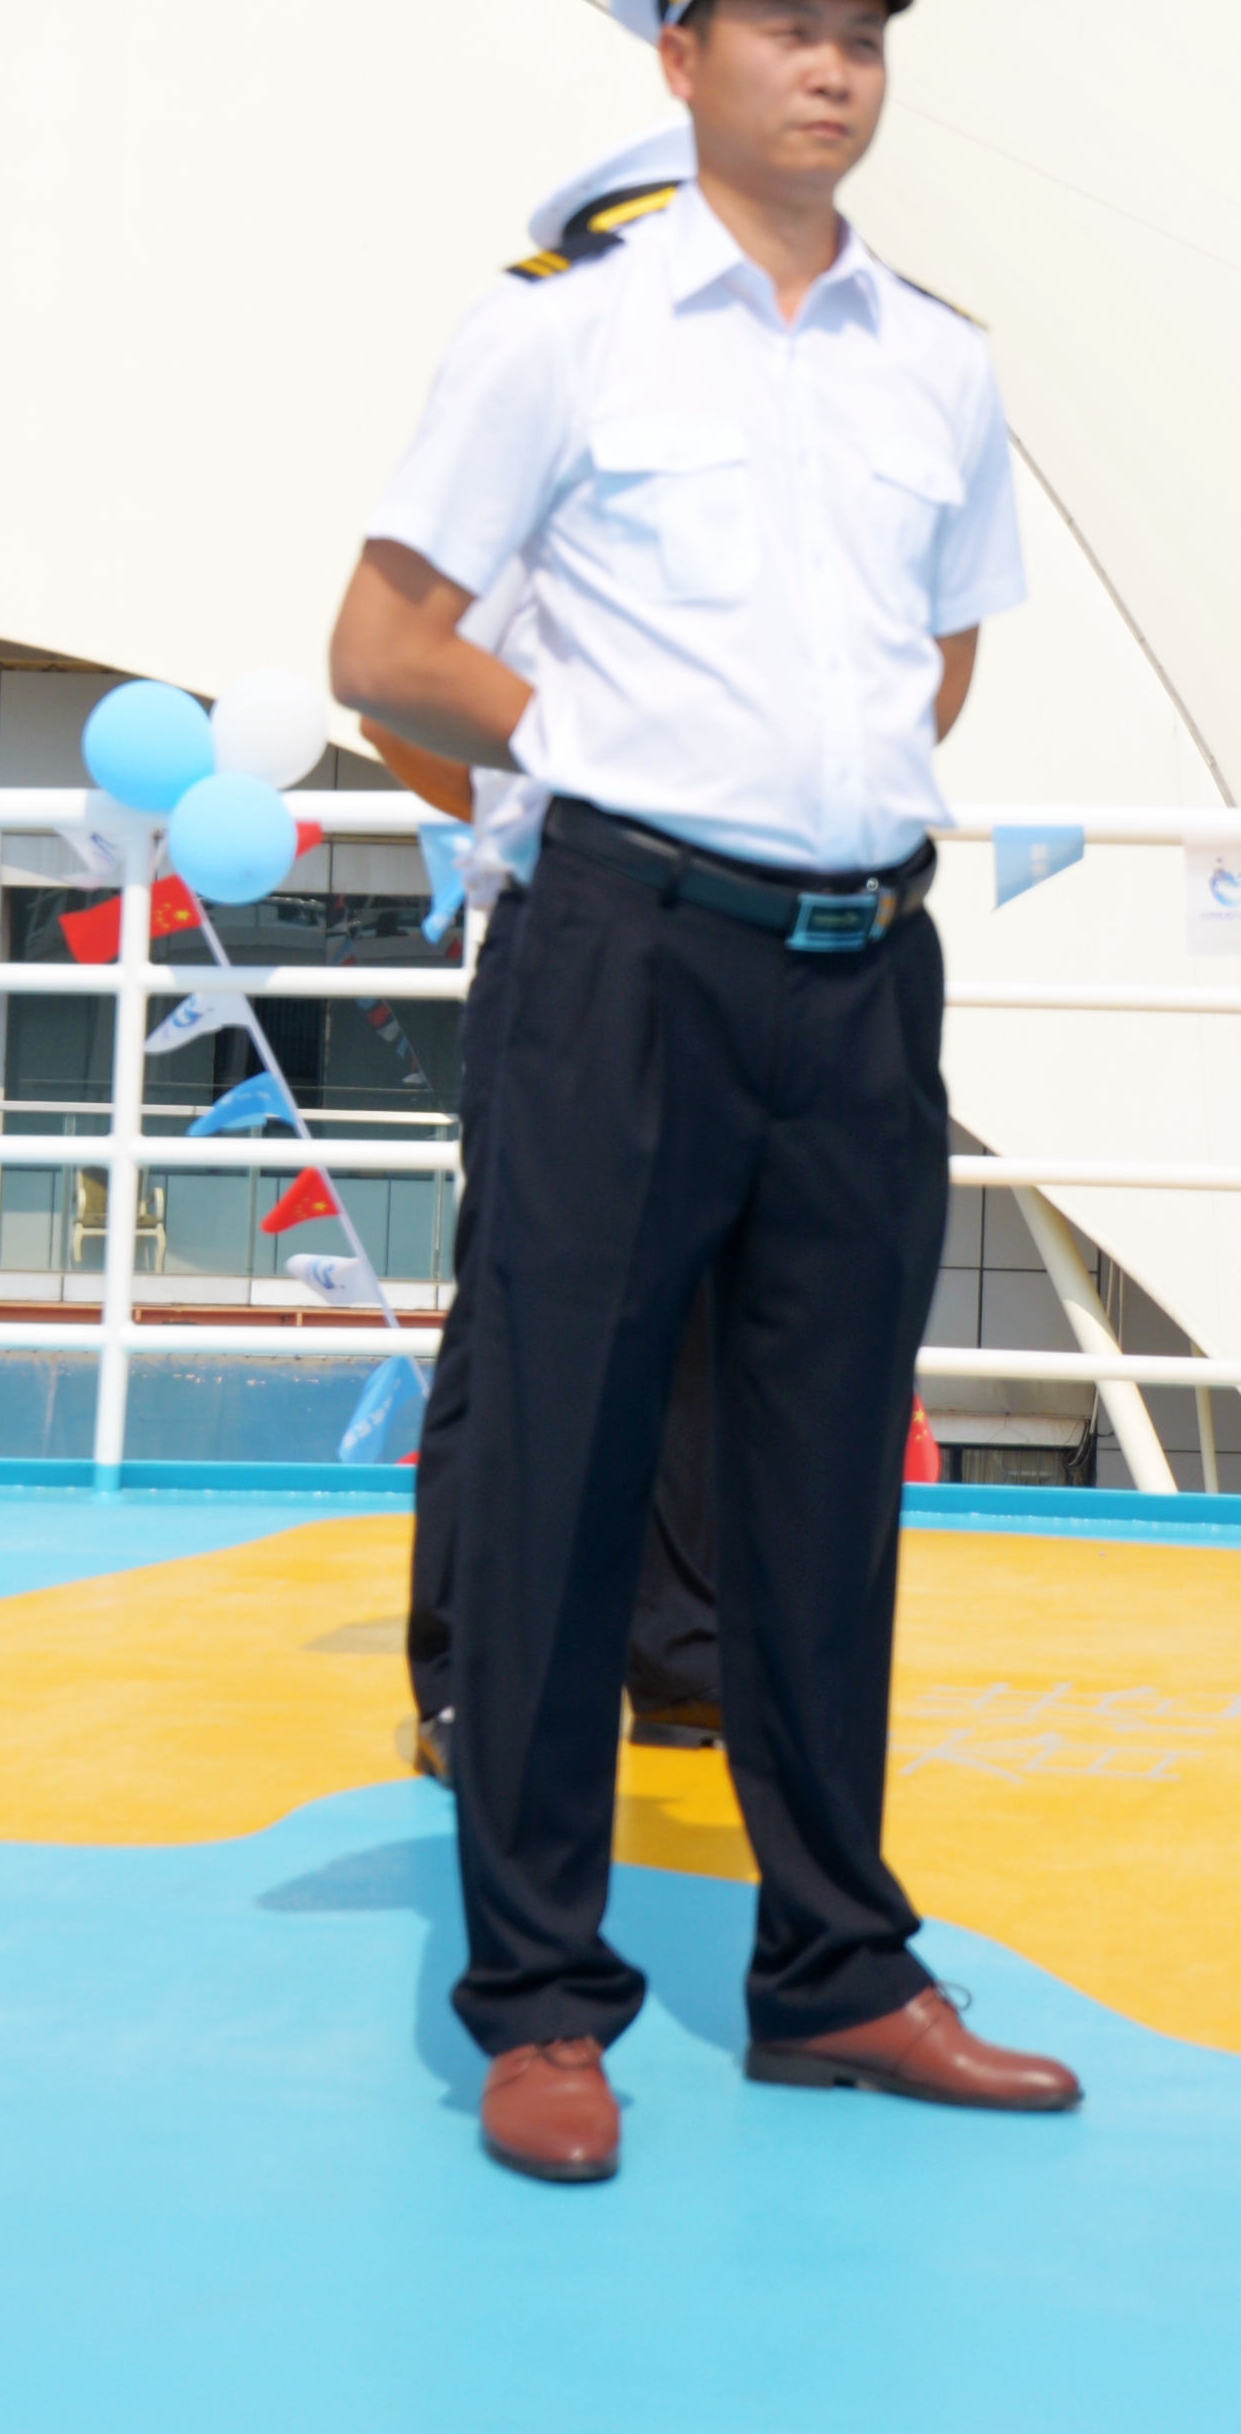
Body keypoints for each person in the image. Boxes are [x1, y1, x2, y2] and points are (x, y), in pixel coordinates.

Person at [330, 0, 1075, 2188]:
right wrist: (611, 745)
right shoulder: (559, 334)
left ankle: (834, 1970)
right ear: (681, 49)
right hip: (622, 955)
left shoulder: (941, 371)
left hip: (859, 967)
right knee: (561, 1482)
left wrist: (799, 778)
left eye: (860, 30)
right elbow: (383, 643)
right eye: (783, 21)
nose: (830, 66)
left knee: (820, 1490)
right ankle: (543, 1997)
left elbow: (936, 657)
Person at [365, 123, 727, 1788]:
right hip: (567, 942)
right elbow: (395, 692)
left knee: (705, 1318)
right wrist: (528, 809)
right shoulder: (536, 463)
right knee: (523, 1325)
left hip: (727, 939)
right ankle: (473, 1673)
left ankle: (680, 1653)